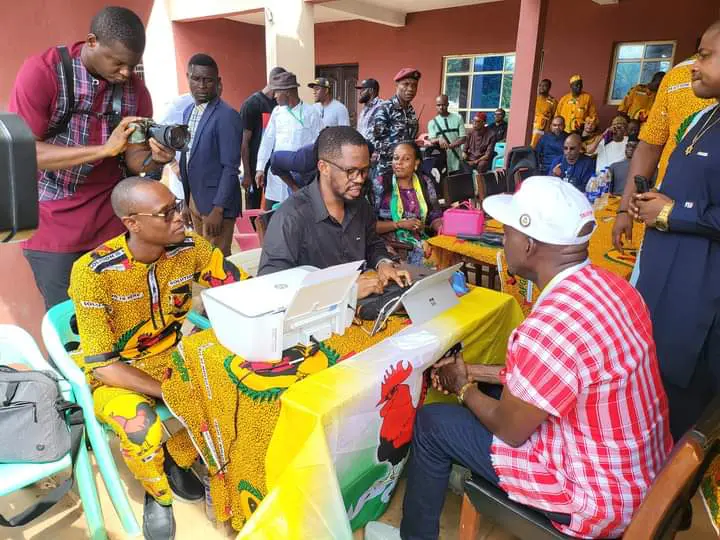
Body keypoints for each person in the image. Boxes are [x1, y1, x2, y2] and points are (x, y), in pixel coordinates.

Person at [368, 176, 671, 540]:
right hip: (637, 476)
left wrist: (464, 387)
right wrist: (476, 371)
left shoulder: (547, 327)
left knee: (434, 423)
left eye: (506, 232)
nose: (501, 239)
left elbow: (511, 430)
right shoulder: (616, 288)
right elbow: (558, 376)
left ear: (528, 245)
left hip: (590, 499)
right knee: (488, 397)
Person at [69, 178, 247, 540]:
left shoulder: (190, 248)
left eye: (177, 206)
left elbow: (241, 288)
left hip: (171, 356)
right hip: (117, 372)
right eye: (166, 214)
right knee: (140, 428)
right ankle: (158, 494)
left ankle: (185, 460)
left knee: (234, 384)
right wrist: (167, 391)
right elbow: (103, 363)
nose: (180, 218)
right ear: (132, 223)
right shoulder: (93, 273)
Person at [8, 6, 175, 310]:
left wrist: (157, 159)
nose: (126, 73)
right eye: (118, 62)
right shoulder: (43, 73)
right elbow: (25, 152)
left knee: (120, 318)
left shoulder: (136, 91)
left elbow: (137, 160)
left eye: (133, 65)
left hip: (110, 223)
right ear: (91, 41)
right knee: (70, 328)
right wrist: (103, 149)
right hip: (53, 227)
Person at [631, 21, 720, 439]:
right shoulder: (704, 116)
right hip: (663, 295)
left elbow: (687, 208)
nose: (692, 66)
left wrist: (674, 213)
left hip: (698, 308)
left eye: (704, 55)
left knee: (681, 424)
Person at [258, 126, 410, 298]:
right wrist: (344, 292)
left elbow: (372, 244)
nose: (360, 179)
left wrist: (383, 263)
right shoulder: (292, 216)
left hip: (364, 307)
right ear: (323, 167)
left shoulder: (360, 205)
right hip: (316, 316)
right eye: (350, 171)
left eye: (365, 170)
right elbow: (272, 285)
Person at [613, 53, 714, 252]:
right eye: (702, 52)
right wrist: (624, 209)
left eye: (707, 54)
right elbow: (650, 145)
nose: (695, 67)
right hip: (662, 210)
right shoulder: (676, 76)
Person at [179, 53, 242, 256]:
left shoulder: (226, 116)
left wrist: (218, 209)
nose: (202, 85)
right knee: (202, 259)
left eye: (208, 80)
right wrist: (186, 201)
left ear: (218, 82)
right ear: (188, 77)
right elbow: (186, 158)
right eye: (196, 79)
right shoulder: (189, 112)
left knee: (217, 262)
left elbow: (230, 167)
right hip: (195, 200)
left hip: (216, 205)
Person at [256, 71, 323, 209]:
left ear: (287, 92)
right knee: (272, 217)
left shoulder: (310, 113)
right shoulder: (277, 112)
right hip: (277, 177)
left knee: (297, 218)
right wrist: (260, 168)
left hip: (299, 180)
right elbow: (267, 141)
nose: (274, 96)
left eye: (277, 92)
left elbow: (320, 142)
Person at [374, 142, 443, 265]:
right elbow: (368, 226)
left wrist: (441, 228)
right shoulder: (381, 184)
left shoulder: (425, 183)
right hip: (390, 246)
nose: (399, 162)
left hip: (420, 240)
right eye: (396, 158)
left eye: (406, 159)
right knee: (428, 264)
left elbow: (434, 215)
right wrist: (398, 225)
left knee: (448, 255)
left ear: (416, 163)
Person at [239, 66, 287, 209]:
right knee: (255, 210)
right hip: (256, 169)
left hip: (275, 170)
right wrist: (247, 173)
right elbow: (244, 142)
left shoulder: (280, 104)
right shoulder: (251, 105)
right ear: (273, 82)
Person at [371, 68, 421, 181]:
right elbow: (375, 141)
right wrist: (399, 153)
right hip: (386, 171)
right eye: (406, 84)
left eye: (414, 85)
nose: (410, 89)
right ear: (397, 85)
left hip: (406, 172)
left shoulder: (410, 110)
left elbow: (410, 138)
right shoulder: (385, 108)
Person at [159, 93, 194, 201]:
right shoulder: (176, 106)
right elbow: (157, 137)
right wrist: (174, 165)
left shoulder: (219, 108)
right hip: (182, 183)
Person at [427, 94, 467, 173]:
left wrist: (450, 146)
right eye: (438, 105)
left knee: (457, 182)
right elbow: (431, 140)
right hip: (441, 161)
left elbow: (463, 138)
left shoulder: (458, 118)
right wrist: (439, 139)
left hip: (456, 159)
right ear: (436, 106)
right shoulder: (432, 123)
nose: (441, 107)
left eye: (443, 105)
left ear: (448, 104)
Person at [532, 79, 557, 147]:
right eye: (540, 85)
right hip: (533, 129)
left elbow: (554, 117)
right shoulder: (533, 99)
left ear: (549, 87)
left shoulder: (553, 101)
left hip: (545, 130)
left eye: (544, 86)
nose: (541, 87)